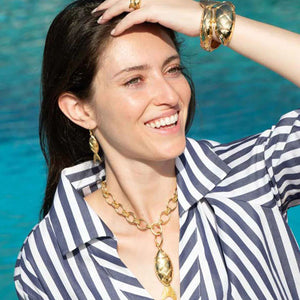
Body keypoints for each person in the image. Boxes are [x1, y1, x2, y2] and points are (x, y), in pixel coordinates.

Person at [14, 0, 300, 299]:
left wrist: (212, 20)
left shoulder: (253, 174)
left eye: (173, 69)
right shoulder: (45, 260)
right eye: (134, 80)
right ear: (80, 110)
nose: (169, 95)